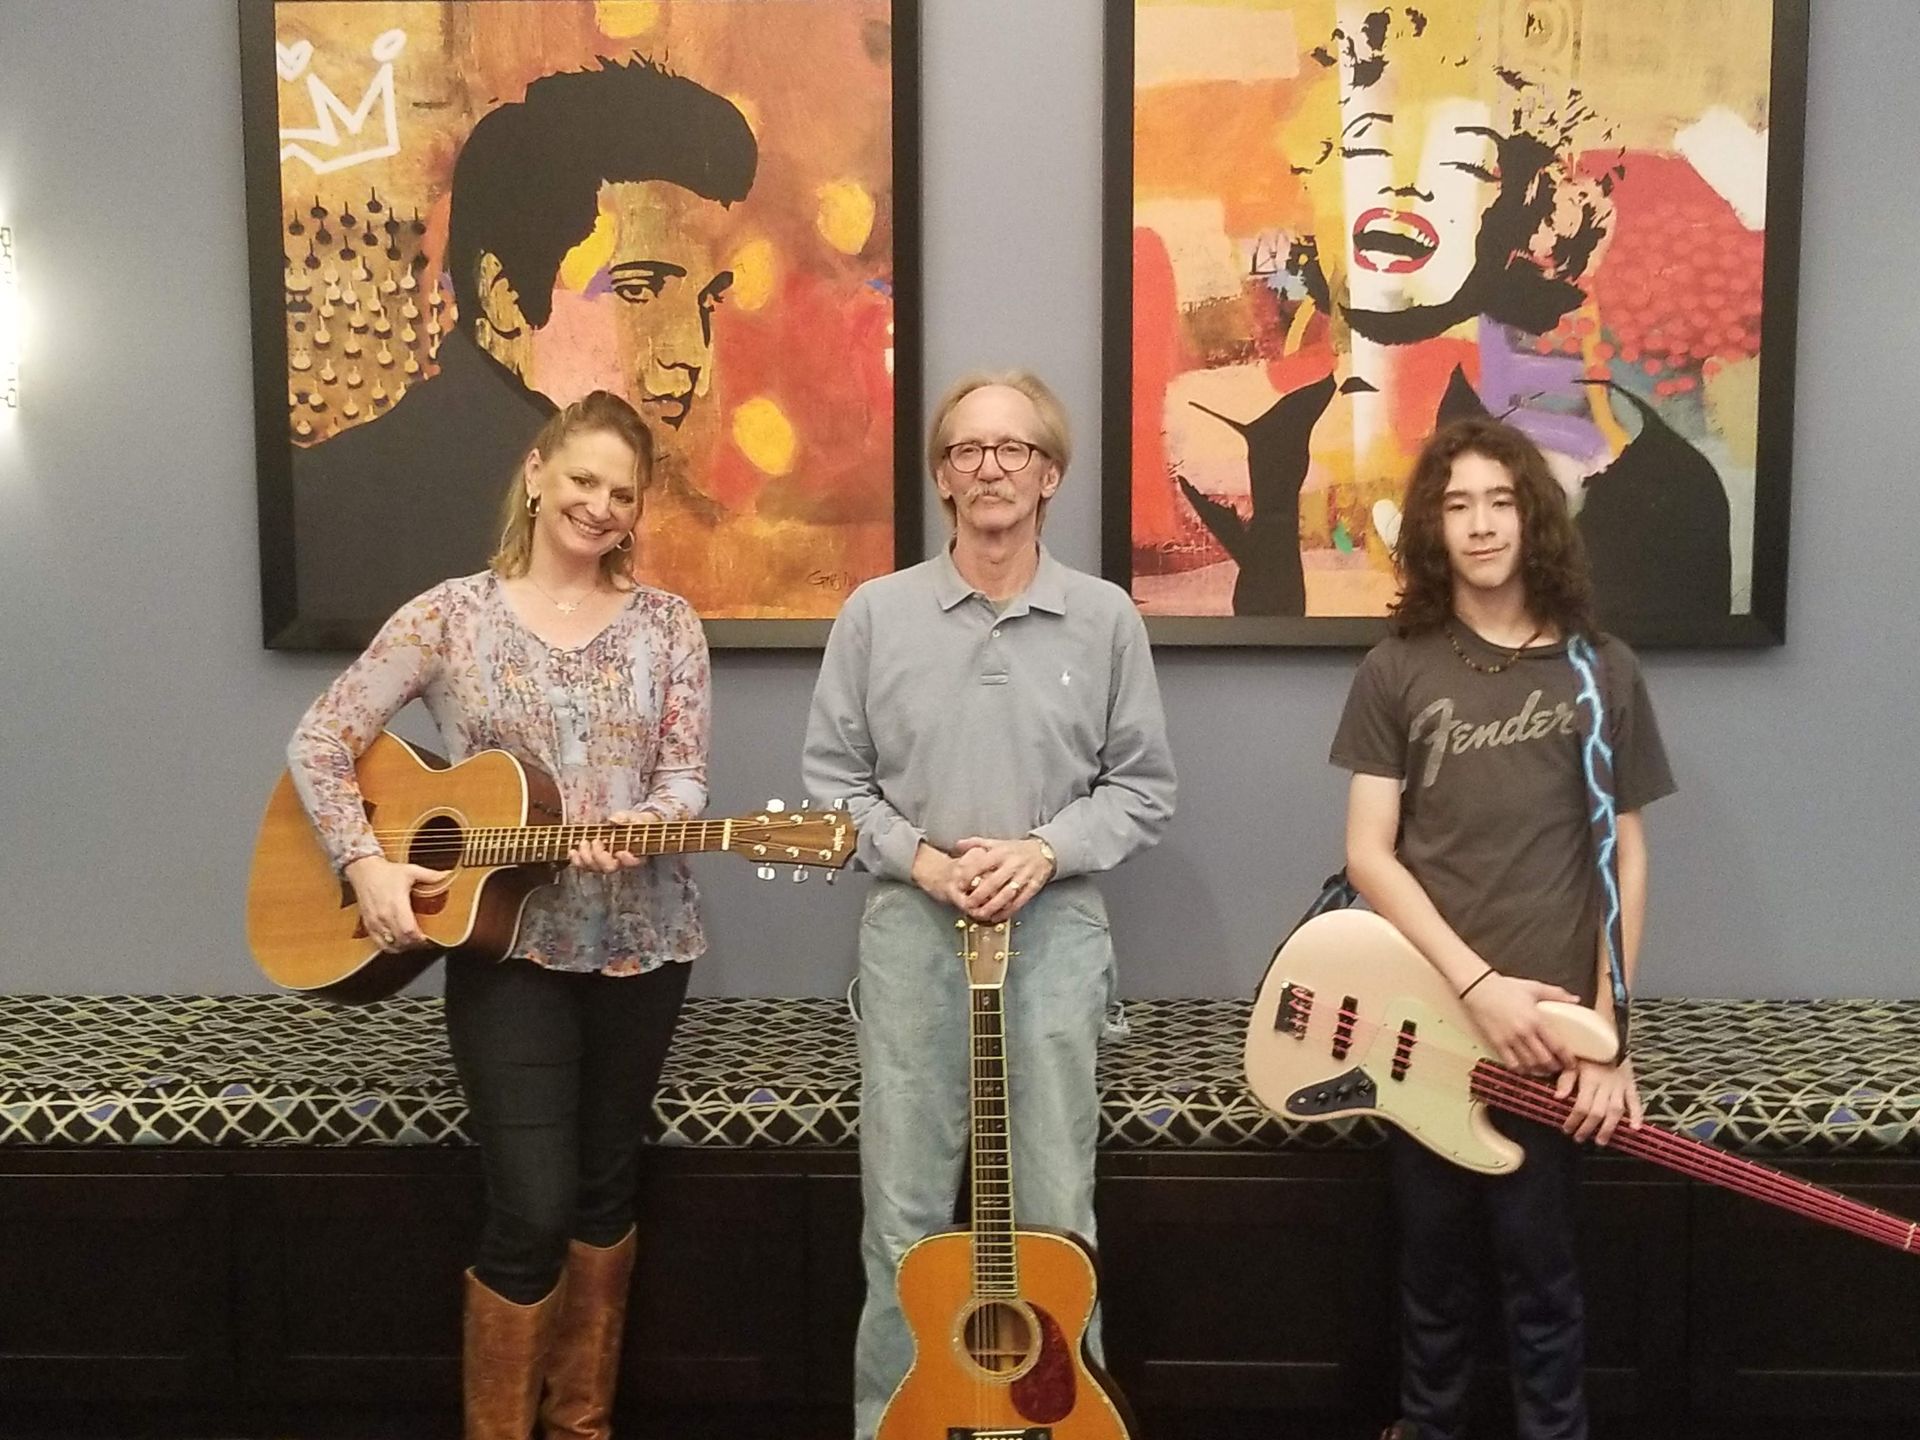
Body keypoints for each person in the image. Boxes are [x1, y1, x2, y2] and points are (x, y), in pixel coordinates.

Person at [287, 389, 711, 1440]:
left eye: (622, 493)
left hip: (642, 947)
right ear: (536, 472)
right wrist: (369, 864)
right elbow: (320, 741)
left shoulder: (668, 625)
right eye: (583, 481)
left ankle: (581, 1426)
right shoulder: (449, 616)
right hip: (505, 950)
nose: (601, 507)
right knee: (530, 1206)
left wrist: (650, 825)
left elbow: (687, 778)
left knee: (608, 1194)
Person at [802, 370, 1177, 1440]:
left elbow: (1144, 789)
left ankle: (1062, 1424)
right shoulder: (875, 616)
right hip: (911, 938)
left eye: (1014, 449)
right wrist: (920, 862)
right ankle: (898, 1423)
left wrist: (1045, 852)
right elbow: (832, 780)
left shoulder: (1105, 620)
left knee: (1057, 1216)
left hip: (1056, 942)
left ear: (1050, 474)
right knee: (904, 1223)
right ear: (941, 477)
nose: (990, 468)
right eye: (968, 450)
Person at [1329, 416, 1675, 1440]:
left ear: (1533, 518)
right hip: (1428, 1031)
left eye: (1500, 501)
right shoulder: (1395, 669)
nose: (1481, 525)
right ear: (1435, 527)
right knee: (1430, 1284)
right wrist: (1476, 987)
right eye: (1457, 504)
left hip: (1555, 1044)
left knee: (1544, 1285)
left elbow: (1629, 858)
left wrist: (1608, 1044)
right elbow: (1368, 856)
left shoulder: (1600, 669)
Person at [292, 58, 758, 634]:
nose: (688, 353)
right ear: (504, 295)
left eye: (708, 301)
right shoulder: (349, 512)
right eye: (638, 290)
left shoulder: (630, 545)